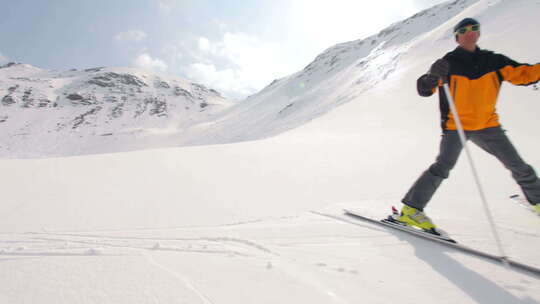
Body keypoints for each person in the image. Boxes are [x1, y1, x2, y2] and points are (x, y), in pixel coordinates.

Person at [399, 17, 540, 230]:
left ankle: (537, 200)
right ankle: (411, 210)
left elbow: (524, 75)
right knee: (443, 166)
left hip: (487, 125)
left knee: (518, 165)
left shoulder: (494, 61)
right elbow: (425, 88)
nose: (470, 32)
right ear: (457, 37)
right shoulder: (447, 63)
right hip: (457, 125)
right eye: (464, 30)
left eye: (474, 28)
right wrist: (429, 79)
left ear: (479, 33)